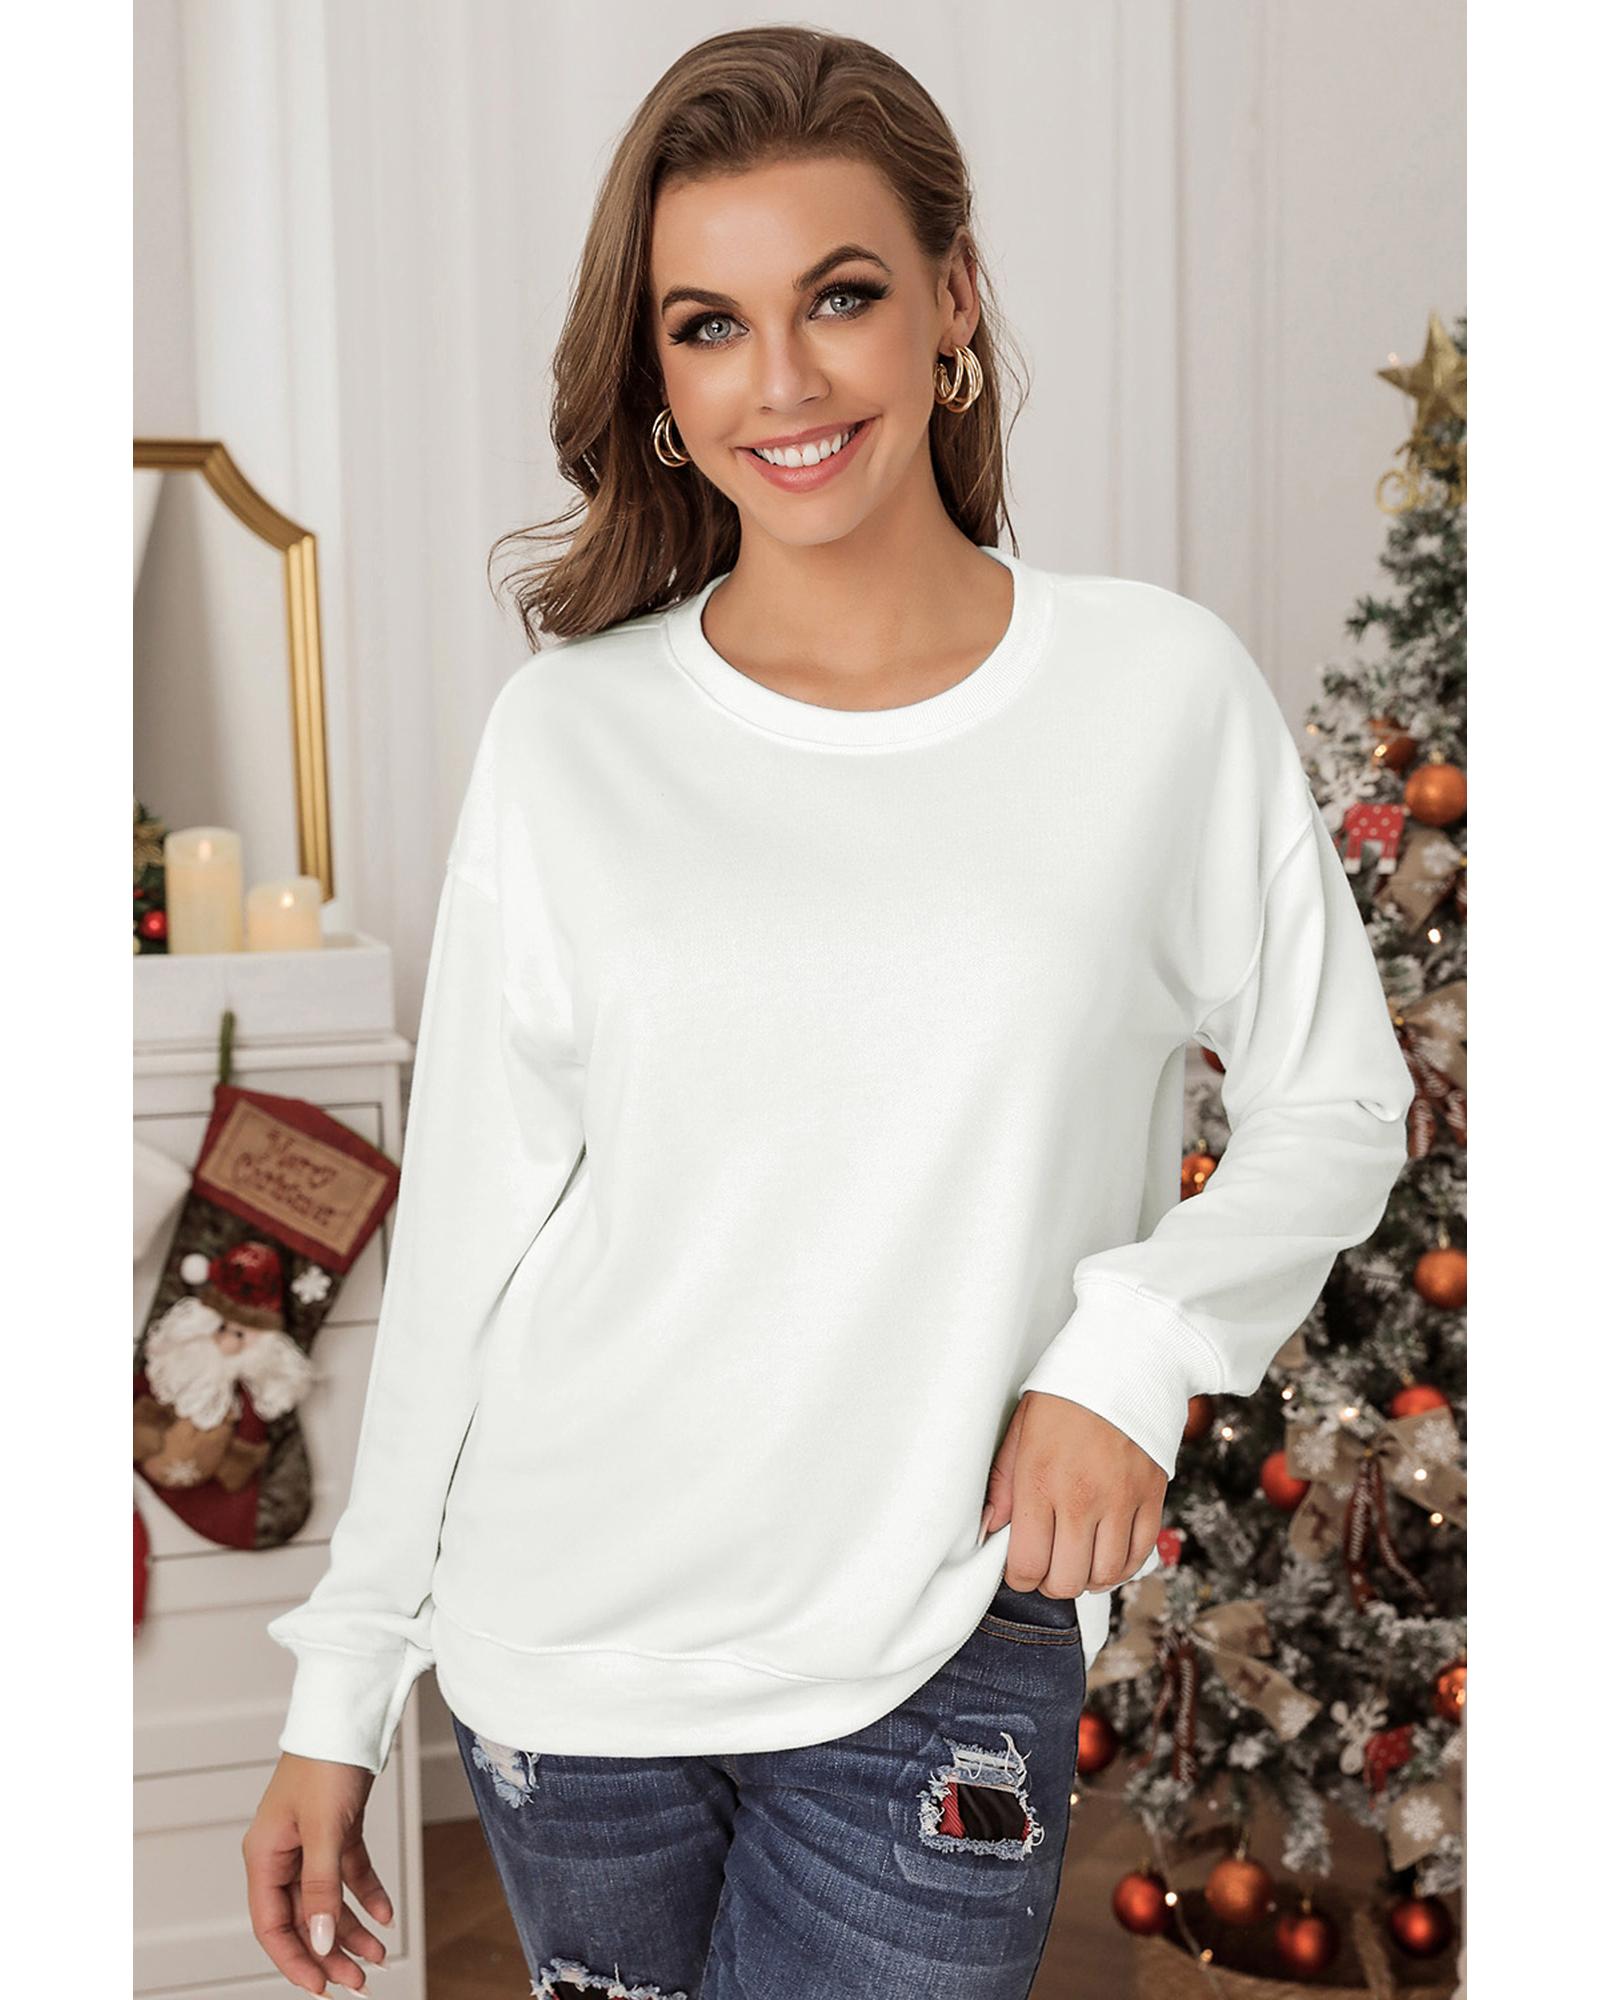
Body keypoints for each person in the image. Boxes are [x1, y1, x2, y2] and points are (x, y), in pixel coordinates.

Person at [242, 25, 1415, 1999]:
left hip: (936, 1637)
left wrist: (1128, 1350)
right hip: (569, 1653)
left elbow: (1335, 1102)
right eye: (708, 325)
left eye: (841, 296)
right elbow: (466, 1245)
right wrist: (338, 1689)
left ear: (954, 302)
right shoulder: (569, 737)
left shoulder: (1150, 697)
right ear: (658, 379)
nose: (779, 382)